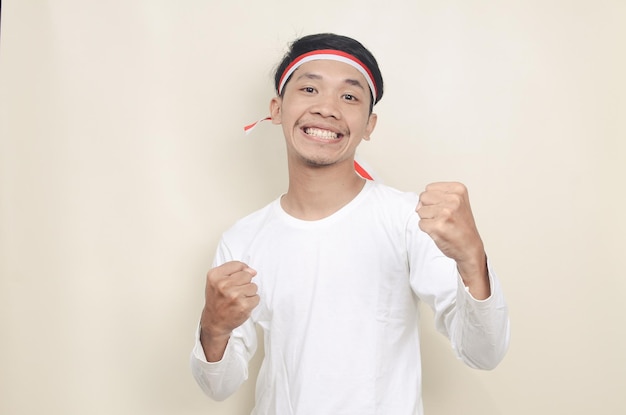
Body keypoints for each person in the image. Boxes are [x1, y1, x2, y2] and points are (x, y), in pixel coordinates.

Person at [190, 33, 510, 415]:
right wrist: (214, 327)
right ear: (276, 109)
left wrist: (472, 258)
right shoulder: (242, 239)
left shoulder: (410, 220)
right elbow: (218, 386)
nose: (327, 108)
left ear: (369, 124)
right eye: (309, 88)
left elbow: (483, 353)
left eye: (349, 96)